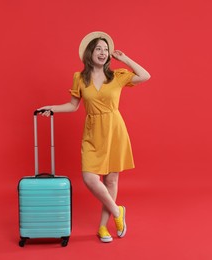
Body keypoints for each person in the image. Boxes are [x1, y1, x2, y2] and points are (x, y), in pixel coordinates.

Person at [37, 31, 150, 243]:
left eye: (106, 49)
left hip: (114, 129)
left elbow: (145, 75)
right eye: (98, 48)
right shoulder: (79, 78)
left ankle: (102, 228)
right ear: (90, 53)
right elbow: (73, 106)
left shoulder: (117, 75)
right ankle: (118, 212)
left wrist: (124, 58)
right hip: (92, 130)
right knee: (90, 177)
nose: (103, 52)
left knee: (111, 179)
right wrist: (51, 108)